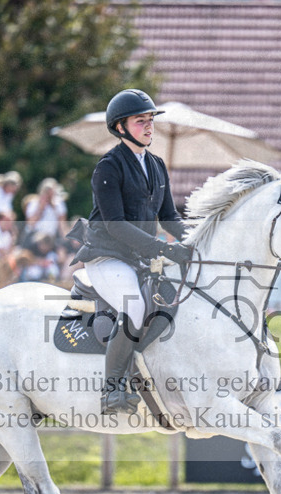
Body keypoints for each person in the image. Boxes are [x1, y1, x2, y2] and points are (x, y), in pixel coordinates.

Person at [70, 89, 192, 415]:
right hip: (107, 255)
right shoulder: (108, 167)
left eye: (151, 120)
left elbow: (169, 218)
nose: (150, 127)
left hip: (139, 258)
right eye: (141, 121)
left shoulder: (156, 165)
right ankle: (111, 390)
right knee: (135, 308)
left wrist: (195, 241)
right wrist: (163, 248)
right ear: (121, 127)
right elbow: (116, 226)